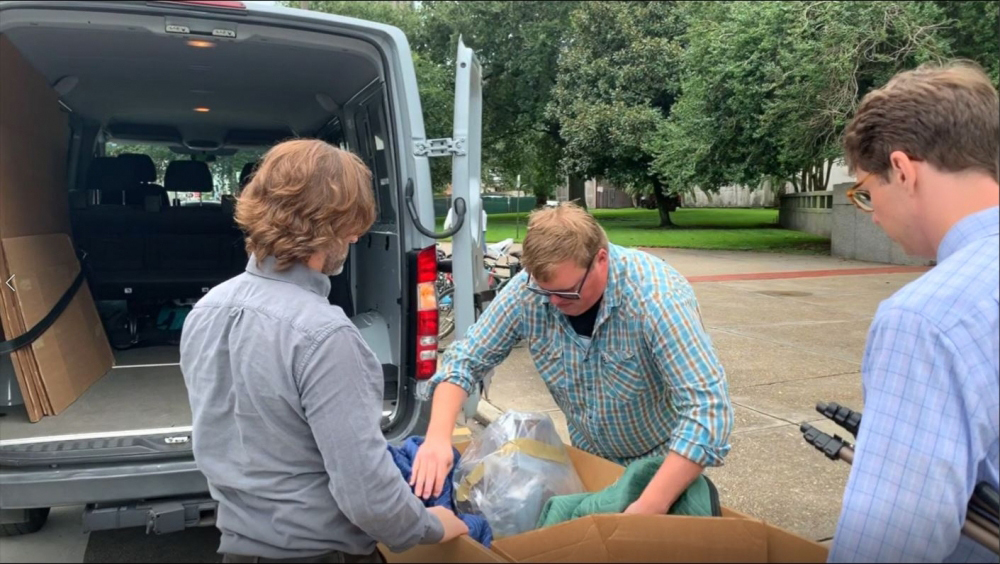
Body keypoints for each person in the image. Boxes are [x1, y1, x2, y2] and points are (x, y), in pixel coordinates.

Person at [179, 139, 469, 564]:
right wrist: (432, 525)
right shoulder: (325, 335)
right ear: (326, 226)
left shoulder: (205, 311)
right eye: (352, 225)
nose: (356, 236)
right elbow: (367, 494)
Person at [411, 201, 733, 515]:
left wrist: (651, 505)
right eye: (543, 290)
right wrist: (437, 438)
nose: (552, 302)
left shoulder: (658, 299)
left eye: (566, 293)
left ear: (601, 260)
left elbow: (706, 411)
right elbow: (466, 360)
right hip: (589, 462)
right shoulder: (531, 292)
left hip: (660, 468)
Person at [830, 60, 999, 563]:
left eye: (866, 191)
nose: (874, 212)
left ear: (902, 170)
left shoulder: (927, 319)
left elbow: (888, 545)